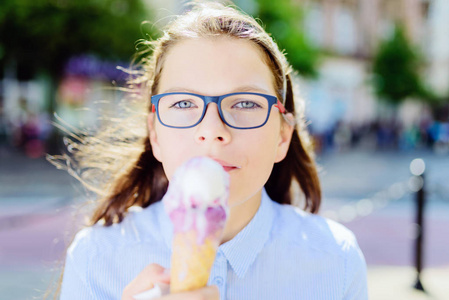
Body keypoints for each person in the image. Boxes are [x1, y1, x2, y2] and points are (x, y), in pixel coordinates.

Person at [58, 1, 368, 299]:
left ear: (282, 136)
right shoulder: (95, 258)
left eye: (246, 103)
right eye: (183, 103)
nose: (212, 131)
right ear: (155, 134)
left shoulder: (335, 260)